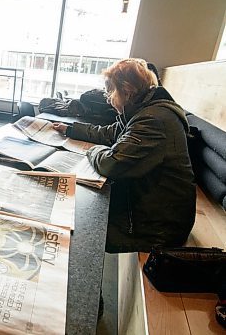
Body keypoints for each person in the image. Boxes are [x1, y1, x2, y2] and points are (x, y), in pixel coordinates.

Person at [53, 58, 196, 253]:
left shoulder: (153, 120)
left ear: (127, 91)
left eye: (110, 91)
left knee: (78, 228)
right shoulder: (146, 110)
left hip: (157, 229)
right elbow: (109, 133)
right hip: (150, 210)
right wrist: (70, 130)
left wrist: (91, 150)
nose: (108, 97)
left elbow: (112, 164)